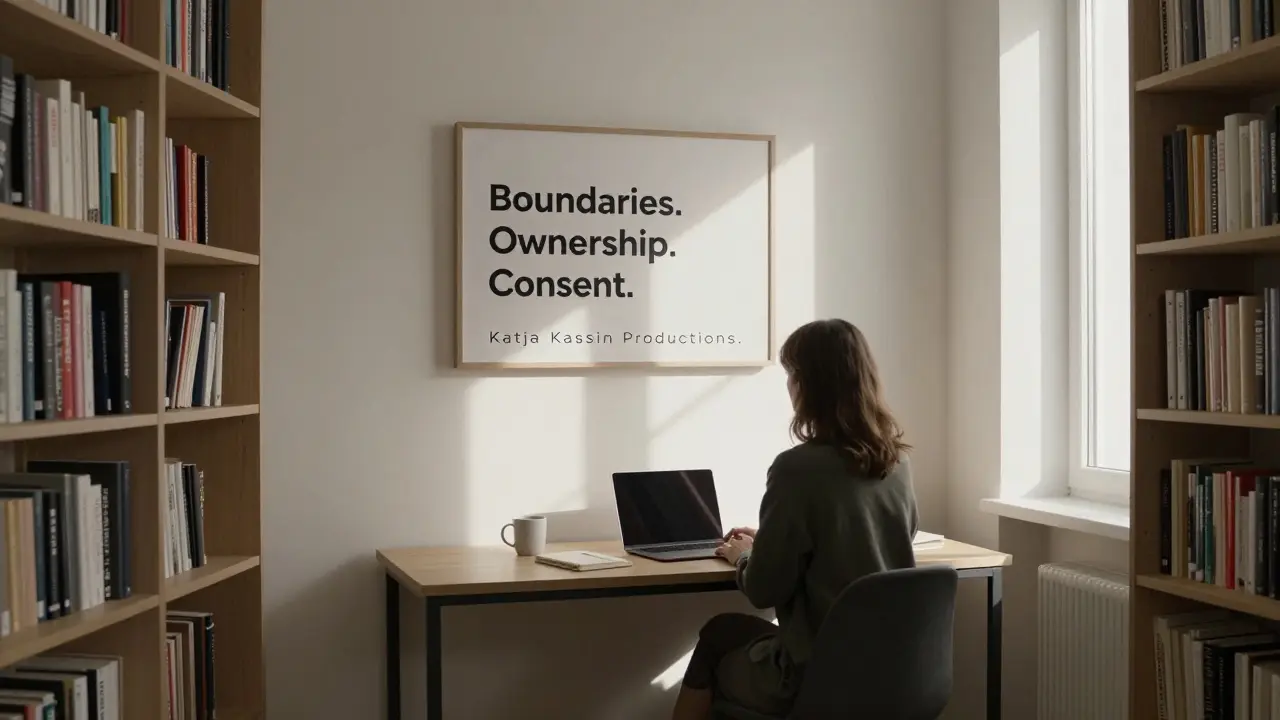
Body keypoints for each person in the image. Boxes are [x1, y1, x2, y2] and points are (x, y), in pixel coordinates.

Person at [671, 318, 920, 720]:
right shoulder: (897, 461)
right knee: (725, 631)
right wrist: (768, 540)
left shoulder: (796, 469)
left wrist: (744, 556)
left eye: (792, 376)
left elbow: (765, 590)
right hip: (891, 670)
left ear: (807, 385)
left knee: (717, 639)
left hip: (817, 674)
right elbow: (886, 542)